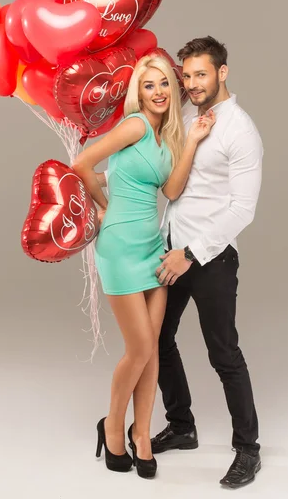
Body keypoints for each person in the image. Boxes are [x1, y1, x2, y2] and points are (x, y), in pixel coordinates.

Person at [72, 54, 215, 479]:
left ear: (172, 92)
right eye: (149, 85)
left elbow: (171, 189)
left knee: (151, 348)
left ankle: (143, 435)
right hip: (119, 247)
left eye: (164, 85)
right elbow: (82, 164)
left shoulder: (168, 138)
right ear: (139, 92)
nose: (158, 92)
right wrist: (106, 207)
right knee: (138, 349)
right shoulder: (133, 125)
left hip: (154, 248)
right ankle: (113, 426)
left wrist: (190, 143)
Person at [151, 36, 264, 489]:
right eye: (187, 76)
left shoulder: (241, 131)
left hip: (209, 257)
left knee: (224, 354)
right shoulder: (187, 118)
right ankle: (182, 426)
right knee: (156, 341)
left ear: (222, 72)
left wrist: (191, 253)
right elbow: (175, 190)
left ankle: (248, 449)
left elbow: (243, 209)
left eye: (201, 74)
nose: (193, 84)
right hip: (170, 248)